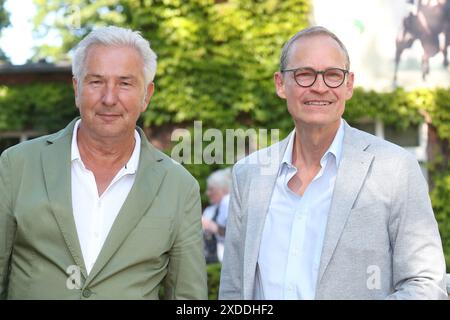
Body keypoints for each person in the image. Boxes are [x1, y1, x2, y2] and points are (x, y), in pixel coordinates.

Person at [219, 26, 447, 300]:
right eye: (304, 74)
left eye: (332, 75)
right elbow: (233, 289)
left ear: (348, 85)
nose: (319, 86)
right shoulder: (249, 175)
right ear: (281, 84)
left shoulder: (395, 169)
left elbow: (424, 284)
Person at [0, 26, 207, 299]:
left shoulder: (179, 187)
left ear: (147, 95)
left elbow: (187, 299)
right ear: (77, 88)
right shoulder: (17, 165)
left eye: (125, 83)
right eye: (96, 81)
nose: (109, 98)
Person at [202, 168, 231, 263]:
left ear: (224, 189)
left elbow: (233, 233)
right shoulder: (210, 210)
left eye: (211, 189)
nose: (207, 193)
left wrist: (211, 226)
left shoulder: (228, 203)